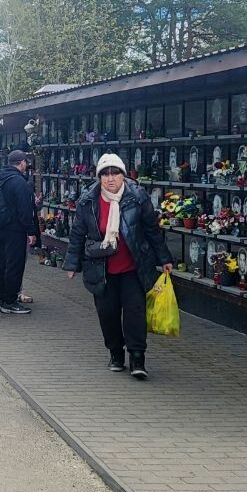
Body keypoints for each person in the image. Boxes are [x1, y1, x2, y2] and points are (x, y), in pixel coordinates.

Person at [62, 154, 174, 380]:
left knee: (135, 313)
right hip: (101, 268)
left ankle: (137, 357)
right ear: (99, 177)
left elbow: (152, 230)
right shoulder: (88, 200)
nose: (110, 178)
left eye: (115, 173)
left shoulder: (137, 197)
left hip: (133, 266)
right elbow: (78, 234)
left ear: (123, 175)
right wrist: (72, 263)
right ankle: (115, 353)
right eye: (105, 174)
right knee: (108, 313)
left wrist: (164, 258)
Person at [0, 150, 39, 315]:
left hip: (2, 228)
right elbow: (25, 210)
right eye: (25, 162)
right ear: (22, 162)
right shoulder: (19, 182)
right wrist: (31, 231)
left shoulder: (1, 177)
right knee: (15, 266)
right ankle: (10, 301)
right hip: (15, 230)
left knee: (3, 264)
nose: (26, 165)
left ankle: (1, 298)